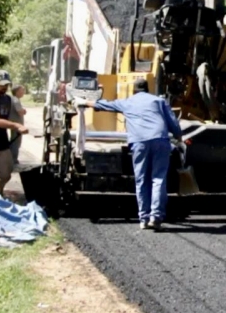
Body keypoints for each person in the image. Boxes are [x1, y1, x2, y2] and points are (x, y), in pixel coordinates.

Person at [75, 78, 183, 231]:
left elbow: (105, 104)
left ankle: (144, 219)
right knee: (158, 178)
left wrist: (84, 102)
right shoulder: (159, 101)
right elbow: (173, 122)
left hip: (139, 142)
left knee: (141, 180)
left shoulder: (127, 102)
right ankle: (156, 217)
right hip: (160, 140)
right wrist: (179, 137)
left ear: (134, 91)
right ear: (148, 89)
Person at [9, 84, 27, 165]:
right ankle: (13, 160)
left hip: (14, 124)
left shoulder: (14, 99)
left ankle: (12, 159)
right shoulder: (15, 100)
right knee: (16, 143)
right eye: (21, 90)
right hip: (16, 125)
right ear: (16, 92)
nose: (23, 92)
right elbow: (20, 111)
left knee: (14, 141)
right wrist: (24, 111)